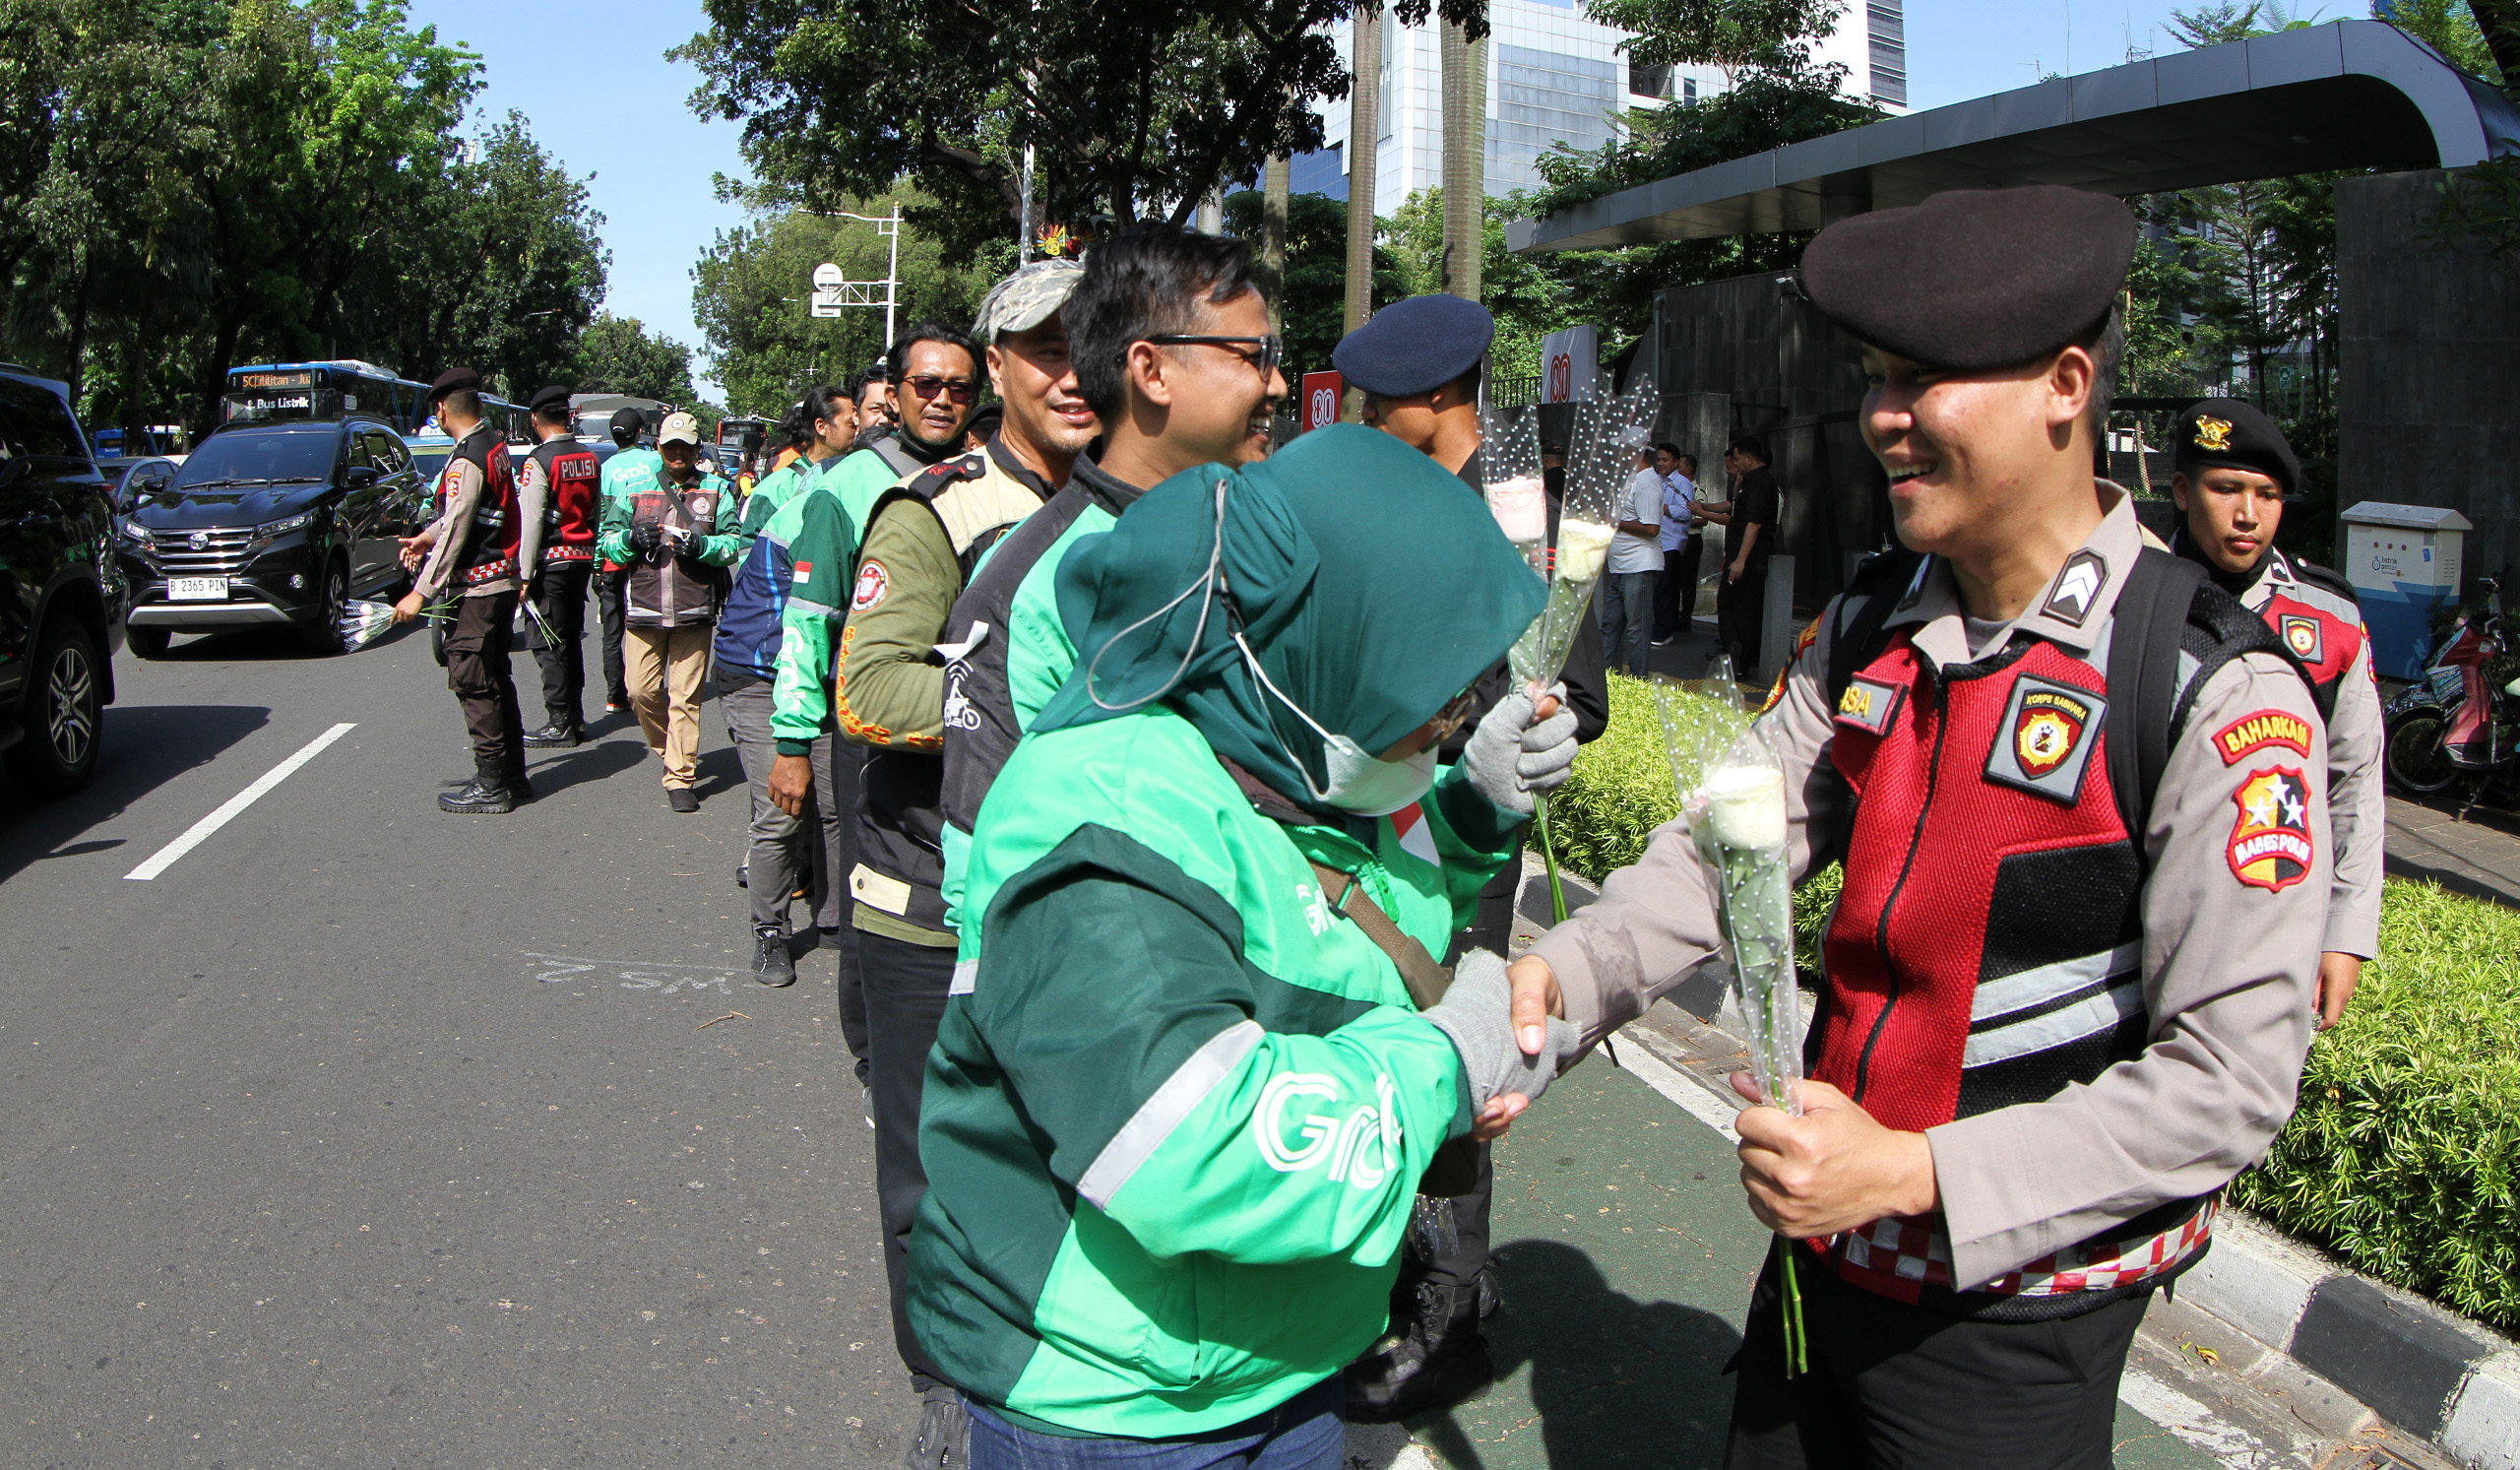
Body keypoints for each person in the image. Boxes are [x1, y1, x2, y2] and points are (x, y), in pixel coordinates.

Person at [1501, 186, 2331, 1470]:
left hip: (2011, 1323)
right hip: (1814, 1264)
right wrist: (1558, 979)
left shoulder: (2208, 686)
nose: (1884, 417)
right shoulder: (1878, 618)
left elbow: (2228, 1081)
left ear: (2065, 384)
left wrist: (1910, 1174)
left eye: (1928, 378)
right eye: (1880, 377)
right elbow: (1730, 846)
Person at [909, 423, 1583, 1470]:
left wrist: (1470, 808)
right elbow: (1181, 1139)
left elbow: (1337, 915)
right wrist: (1443, 1064)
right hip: (1117, 1398)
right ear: (1314, 654)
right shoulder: (1110, 810)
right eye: (1434, 691)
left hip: (1282, 1354)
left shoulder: (1287, 754)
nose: (1452, 718)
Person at [1332, 287, 1610, 1418]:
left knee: (1452, 1050)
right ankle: (1420, 1276)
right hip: (1379, 813)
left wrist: (1484, 734)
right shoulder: (1418, 496)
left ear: (1436, 397)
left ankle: (1451, 1301)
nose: (1364, 421)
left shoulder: (1511, 511)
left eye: (1378, 402)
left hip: (1461, 823)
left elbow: (1570, 691)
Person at [765, 320, 1027, 1464]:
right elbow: (841, 660)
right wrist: (787, 736)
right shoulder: (887, 501)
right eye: (926, 381)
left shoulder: (1131, 495)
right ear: (892, 391)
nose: (940, 396)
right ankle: (943, 1375)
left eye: (953, 385)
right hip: (911, 851)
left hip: (1049, 878)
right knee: (919, 1136)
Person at [2167, 398, 2382, 1029]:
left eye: (2267, 495)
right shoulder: (2127, 596)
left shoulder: (2329, 617)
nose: (2247, 515)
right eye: (2226, 488)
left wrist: (2345, 932)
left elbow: (2356, 779)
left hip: (2280, 912)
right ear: (2182, 490)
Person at [716, 388, 857, 986]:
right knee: (781, 811)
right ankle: (769, 932)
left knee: (831, 806)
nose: (865, 425)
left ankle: (832, 920)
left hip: (812, 671)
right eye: (858, 417)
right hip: (759, 671)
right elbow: (805, 619)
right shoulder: (820, 498)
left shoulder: (862, 488)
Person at [394, 367, 533, 814]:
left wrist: (422, 590)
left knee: (473, 679)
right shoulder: (492, 443)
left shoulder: (467, 457)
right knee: (495, 676)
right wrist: (425, 537)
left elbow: (458, 525)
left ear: (440, 409)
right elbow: (464, 513)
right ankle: (512, 774)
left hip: (479, 586)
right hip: (500, 580)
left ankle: (491, 784)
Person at [598, 411, 739, 812]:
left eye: (685, 447)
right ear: (658, 447)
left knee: (685, 697)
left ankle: (680, 776)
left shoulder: (717, 490)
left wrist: (704, 548)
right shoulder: (636, 490)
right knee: (640, 691)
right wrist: (629, 538)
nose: (677, 453)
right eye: (670, 446)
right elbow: (605, 543)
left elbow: (733, 543)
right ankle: (670, 750)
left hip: (694, 611)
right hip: (643, 610)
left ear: (696, 449)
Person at [519, 385, 602, 748]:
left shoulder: (539, 460)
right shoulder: (589, 457)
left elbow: (531, 521)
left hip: (550, 563)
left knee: (548, 642)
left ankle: (560, 720)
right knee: (570, 639)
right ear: (568, 417)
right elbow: (596, 512)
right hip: (581, 560)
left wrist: (522, 575)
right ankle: (576, 715)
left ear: (535, 419)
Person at [1699, 434, 1780, 671]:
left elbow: (1753, 524)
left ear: (1748, 458)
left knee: (1740, 609)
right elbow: (1736, 510)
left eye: (1736, 459)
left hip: (1748, 559)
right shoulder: (1751, 483)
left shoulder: (1760, 484)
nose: (1734, 464)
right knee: (1730, 604)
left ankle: (1740, 659)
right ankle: (1735, 654)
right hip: (1739, 556)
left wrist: (1741, 560)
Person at [597, 408, 655, 713]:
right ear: (640, 432)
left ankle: (615, 695)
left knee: (612, 629)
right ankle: (646, 686)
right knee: (646, 625)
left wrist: (596, 564)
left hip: (614, 560)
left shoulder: (606, 470)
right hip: (650, 557)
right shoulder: (654, 461)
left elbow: (603, 522)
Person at [1597, 442, 1664, 675]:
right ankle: (1607, 678)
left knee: (1637, 629)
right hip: (1620, 565)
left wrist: (1613, 521)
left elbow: (1651, 528)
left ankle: (1638, 681)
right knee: (1610, 626)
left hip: (1639, 565)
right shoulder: (1631, 479)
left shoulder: (1647, 482)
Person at [1652, 447, 1701, 645]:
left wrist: (1661, 508)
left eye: (1665, 460)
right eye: (1659, 459)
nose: (1661, 463)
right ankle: (1661, 625)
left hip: (1673, 541)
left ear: (1676, 462)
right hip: (1657, 540)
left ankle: (1664, 630)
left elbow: (1686, 513)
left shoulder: (1682, 483)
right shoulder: (1656, 481)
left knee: (1666, 586)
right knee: (1659, 586)